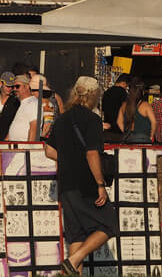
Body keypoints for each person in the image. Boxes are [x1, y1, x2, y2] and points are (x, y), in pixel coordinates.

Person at [43, 76, 118, 275]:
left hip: (66, 183)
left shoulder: (62, 119)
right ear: (93, 96)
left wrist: (68, 159)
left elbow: (49, 151)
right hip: (86, 183)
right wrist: (100, 184)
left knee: (76, 235)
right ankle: (74, 259)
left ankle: (72, 267)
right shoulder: (92, 120)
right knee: (109, 224)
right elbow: (92, 153)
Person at [116, 77, 155, 143]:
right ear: (142, 92)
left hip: (128, 137)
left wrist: (125, 132)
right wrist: (151, 135)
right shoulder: (145, 105)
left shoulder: (124, 105)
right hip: (143, 138)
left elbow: (119, 122)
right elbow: (154, 122)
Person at [6, 75, 39, 142]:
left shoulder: (33, 102)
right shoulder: (22, 104)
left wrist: (29, 148)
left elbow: (34, 127)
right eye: (13, 87)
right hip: (15, 147)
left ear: (26, 87)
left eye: (17, 86)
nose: (14, 89)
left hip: (23, 148)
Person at [100, 74, 128, 140]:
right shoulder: (123, 93)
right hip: (119, 130)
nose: (126, 88)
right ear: (124, 83)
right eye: (126, 86)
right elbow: (125, 111)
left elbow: (103, 109)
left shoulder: (107, 92)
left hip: (108, 129)